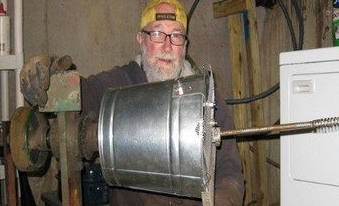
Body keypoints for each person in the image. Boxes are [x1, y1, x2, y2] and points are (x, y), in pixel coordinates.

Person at [20, 0, 244, 205]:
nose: (167, 47)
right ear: (141, 40)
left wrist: (222, 199)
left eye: (176, 36)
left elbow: (230, 172)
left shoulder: (205, 97)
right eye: (157, 34)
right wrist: (50, 75)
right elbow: (79, 94)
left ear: (185, 45)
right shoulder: (120, 83)